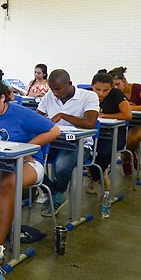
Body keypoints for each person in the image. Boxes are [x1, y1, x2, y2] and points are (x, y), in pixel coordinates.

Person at [0, 79, 60, 245]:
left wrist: (28, 148)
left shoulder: (21, 113)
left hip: (28, 163)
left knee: (5, 182)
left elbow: (54, 130)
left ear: (3, 98)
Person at [37, 69, 99, 217]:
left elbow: (90, 122)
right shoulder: (49, 96)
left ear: (69, 84)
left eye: (58, 89)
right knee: (29, 159)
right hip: (53, 142)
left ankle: (57, 192)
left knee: (62, 164)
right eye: (52, 89)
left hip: (79, 145)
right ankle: (54, 192)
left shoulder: (89, 96)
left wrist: (63, 115)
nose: (55, 93)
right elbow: (37, 117)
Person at [86, 72, 132, 193]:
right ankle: (100, 171)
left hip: (115, 134)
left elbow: (127, 115)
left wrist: (104, 115)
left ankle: (95, 176)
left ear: (111, 87)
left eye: (105, 90)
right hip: (94, 132)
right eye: (97, 89)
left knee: (105, 151)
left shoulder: (116, 94)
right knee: (78, 148)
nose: (101, 93)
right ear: (92, 85)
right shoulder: (87, 94)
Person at [109, 66, 141, 174]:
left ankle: (126, 156)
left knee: (132, 137)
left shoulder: (138, 88)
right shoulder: (113, 93)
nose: (115, 87)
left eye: (117, 84)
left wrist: (131, 108)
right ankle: (129, 154)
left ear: (124, 80)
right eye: (112, 86)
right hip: (121, 124)